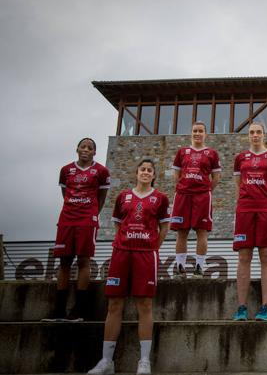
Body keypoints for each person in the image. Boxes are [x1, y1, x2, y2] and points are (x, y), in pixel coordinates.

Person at [88, 159, 170, 375]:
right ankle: (106, 361)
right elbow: (117, 223)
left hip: (146, 254)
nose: (145, 172)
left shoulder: (160, 198)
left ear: (154, 175)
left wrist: (153, 246)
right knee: (114, 304)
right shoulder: (123, 196)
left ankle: (144, 361)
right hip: (122, 253)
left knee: (144, 305)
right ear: (136, 173)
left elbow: (164, 226)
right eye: (142, 169)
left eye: (149, 170)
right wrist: (124, 240)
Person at [43, 138, 110, 322]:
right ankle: (59, 310)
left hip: (87, 218)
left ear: (95, 152)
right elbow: (65, 194)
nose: (86, 150)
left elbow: (101, 198)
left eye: (90, 148)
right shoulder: (66, 170)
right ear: (77, 149)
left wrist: (92, 214)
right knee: (64, 260)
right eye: (83, 147)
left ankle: (79, 310)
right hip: (67, 218)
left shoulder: (102, 171)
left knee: (83, 259)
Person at [232, 123, 267, 321]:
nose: (255, 135)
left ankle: (265, 307)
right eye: (252, 132)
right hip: (245, 209)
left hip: (266, 208)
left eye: (258, 132)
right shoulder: (240, 158)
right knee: (244, 256)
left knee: (266, 255)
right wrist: (242, 203)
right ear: (248, 136)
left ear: (264, 135)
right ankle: (242, 307)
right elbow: (238, 184)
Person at [170, 121, 221, 278]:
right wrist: (182, 187)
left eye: (200, 131)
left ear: (205, 134)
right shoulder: (182, 152)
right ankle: (180, 267)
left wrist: (205, 190)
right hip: (183, 195)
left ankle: (199, 267)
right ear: (191, 133)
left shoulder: (212, 153)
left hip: (202, 196)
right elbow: (175, 175)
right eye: (195, 131)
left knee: (201, 232)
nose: (197, 133)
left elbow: (216, 177)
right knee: (182, 232)